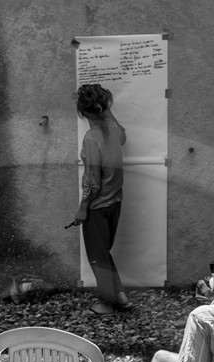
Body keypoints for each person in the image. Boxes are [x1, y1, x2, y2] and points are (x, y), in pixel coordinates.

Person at [71, 83, 130, 315]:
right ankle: (121, 297)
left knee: (98, 257)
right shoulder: (113, 130)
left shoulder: (91, 139)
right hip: (115, 203)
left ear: (82, 112)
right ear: (103, 108)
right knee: (104, 252)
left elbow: (92, 181)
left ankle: (106, 303)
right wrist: (107, 110)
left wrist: (82, 208)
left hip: (97, 207)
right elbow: (123, 136)